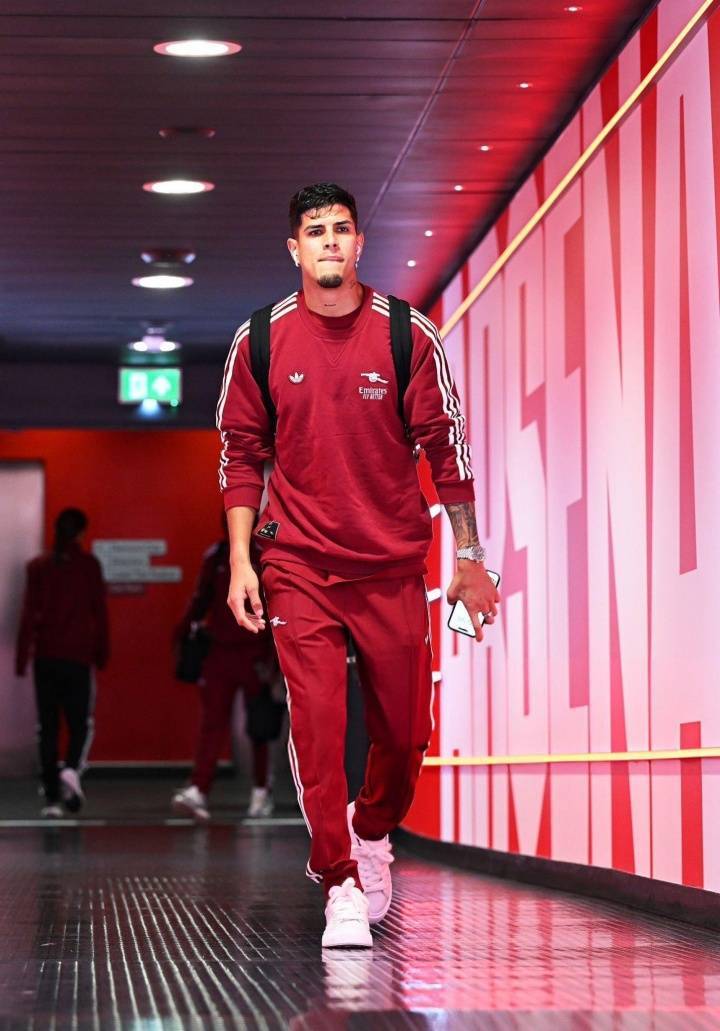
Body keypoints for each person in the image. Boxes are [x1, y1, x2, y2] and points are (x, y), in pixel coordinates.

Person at [216, 182, 501, 948]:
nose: (330, 241)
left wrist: (470, 555)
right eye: (315, 231)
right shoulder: (261, 340)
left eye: (341, 228)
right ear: (295, 248)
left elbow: (449, 451)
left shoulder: (407, 335)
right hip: (297, 563)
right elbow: (240, 456)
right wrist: (242, 561)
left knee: (405, 735)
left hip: (389, 564)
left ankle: (371, 829)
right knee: (316, 725)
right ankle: (339, 878)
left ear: (359, 242)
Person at [171, 517, 281, 823]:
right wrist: (181, 633)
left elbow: (276, 605)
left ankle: (261, 790)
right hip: (220, 653)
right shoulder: (217, 557)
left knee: (259, 726)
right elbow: (200, 599)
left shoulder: (265, 556)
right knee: (212, 723)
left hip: (255, 653)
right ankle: (199, 789)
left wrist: (274, 661)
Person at [15, 507, 109, 818]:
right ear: (81, 533)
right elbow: (99, 613)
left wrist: (22, 657)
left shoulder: (38, 567)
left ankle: (52, 798)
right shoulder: (89, 566)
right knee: (79, 723)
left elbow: (28, 613)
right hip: (77, 657)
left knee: (48, 726)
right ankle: (70, 769)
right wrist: (102, 652)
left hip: (45, 657)